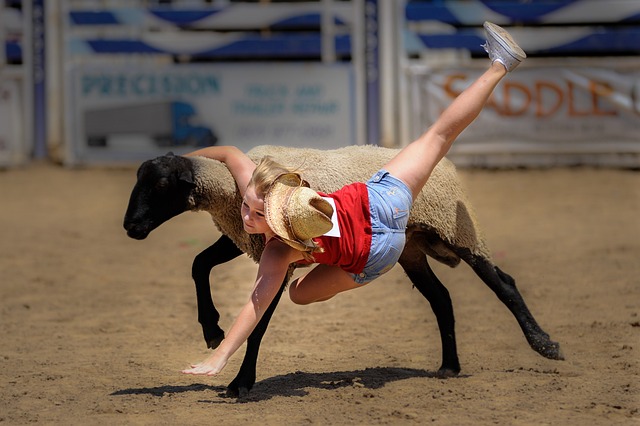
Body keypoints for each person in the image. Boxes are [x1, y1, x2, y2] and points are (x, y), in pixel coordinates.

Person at [181, 22, 526, 376]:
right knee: (438, 136)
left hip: (380, 251)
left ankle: (500, 63)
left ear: (277, 214)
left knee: (297, 293)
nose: (247, 217)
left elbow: (255, 305)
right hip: (378, 199)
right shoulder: (267, 185)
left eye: (257, 212)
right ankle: (500, 64)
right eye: (245, 206)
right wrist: (181, 162)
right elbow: (228, 152)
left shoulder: (277, 250)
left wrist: (220, 355)